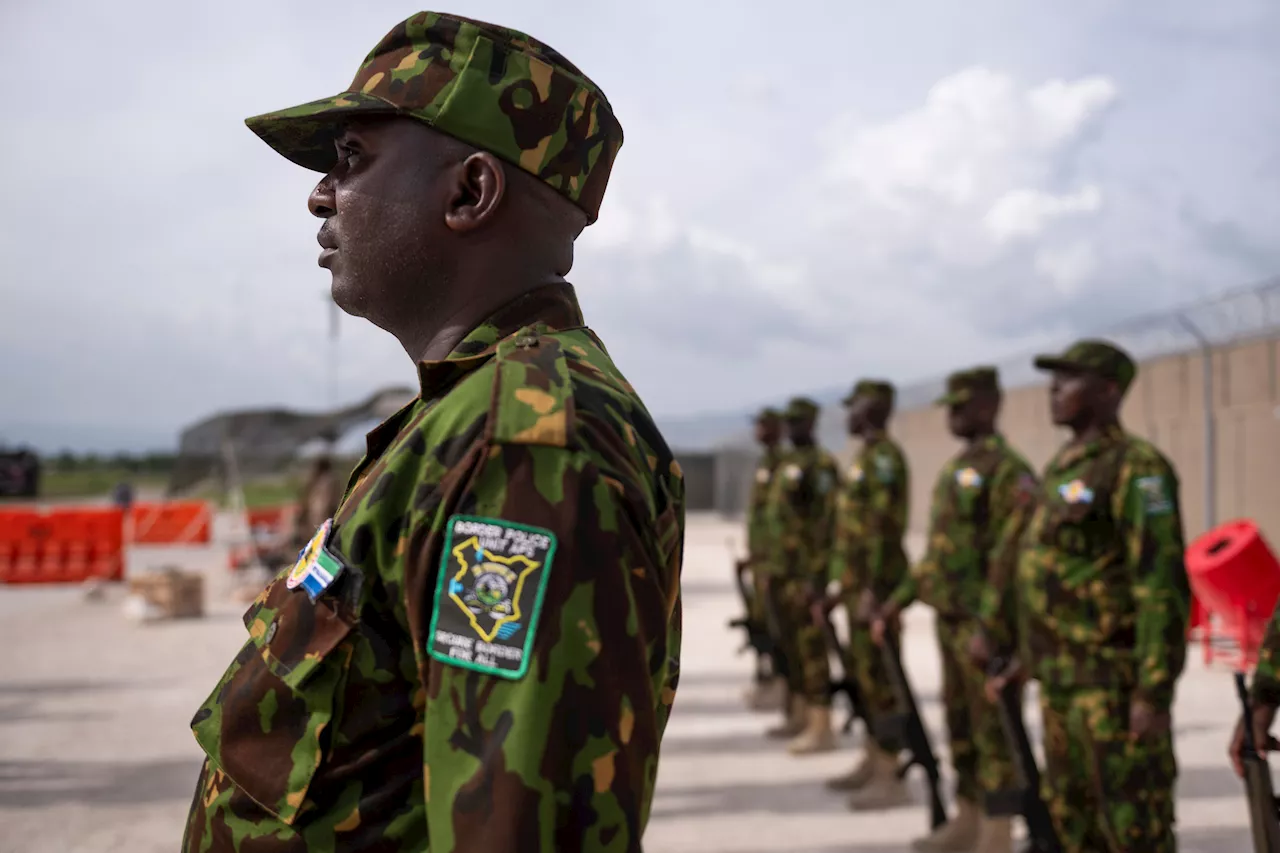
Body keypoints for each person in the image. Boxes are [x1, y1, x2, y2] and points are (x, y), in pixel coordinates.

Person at [182, 13, 685, 853]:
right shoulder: (463, 417)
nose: (319, 193)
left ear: (469, 192)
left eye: (351, 159)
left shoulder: (519, 444)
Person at [986, 339, 1189, 853]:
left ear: (1109, 390)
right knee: (1073, 829)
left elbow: (1160, 585)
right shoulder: (1062, 469)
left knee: (1131, 829)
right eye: (1054, 379)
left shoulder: (1136, 468)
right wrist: (1027, 660)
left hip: (1111, 690)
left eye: (1069, 379)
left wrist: (1153, 692)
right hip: (1060, 687)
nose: (1054, 390)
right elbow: (1050, 579)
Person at [873, 367, 1036, 853]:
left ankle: (997, 833)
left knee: (995, 733)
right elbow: (937, 557)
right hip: (951, 623)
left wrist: (989, 625)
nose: (954, 416)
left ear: (989, 405)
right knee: (960, 726)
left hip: (987, 629)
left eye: (962, 406)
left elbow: (1011, 560)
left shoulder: (1009, 471)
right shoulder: (957, 469)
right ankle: (967, 818)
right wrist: (896, 601)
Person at [823, 379, 911, 809]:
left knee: (883, 682)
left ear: (872, 409)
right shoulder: (866, 458)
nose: (848, 415)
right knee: (865, 678)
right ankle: (873, 758)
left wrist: (873, 590)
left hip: (874, 593)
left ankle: (891, 771)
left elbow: (883, 530)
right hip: (859, 589)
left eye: (853, 406)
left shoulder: (885, 461)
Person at [763, 397, 840, 754]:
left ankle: (822, 724)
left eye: (798, 422)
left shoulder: (821, 466)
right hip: (781, 571)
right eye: (789, 422)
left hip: (804, 575)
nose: (792, 428)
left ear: (812, 423)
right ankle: (800, 713)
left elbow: (827, 525)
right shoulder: (788, 463)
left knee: (812, 651)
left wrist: (818, 578)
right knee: (791, 647)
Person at [738, 407, 787, 711]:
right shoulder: (765, 464)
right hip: (761, 561)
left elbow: (782, 522)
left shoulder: (783, 465)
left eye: (763, 425)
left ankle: (782, 689)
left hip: (774, 563)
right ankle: (769, 684)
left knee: (778, 629)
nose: (757, 431)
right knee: (761, 624)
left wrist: (770, 560)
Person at [289, 453, 342, 551]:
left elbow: (326, 504)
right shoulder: (318, 482)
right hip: (318, 522)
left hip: (322, 522)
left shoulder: (327, 481)